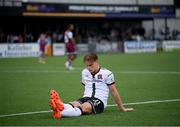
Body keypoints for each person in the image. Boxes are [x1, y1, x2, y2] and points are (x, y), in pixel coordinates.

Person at [49, 53, 134, 119]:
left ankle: (60, 112)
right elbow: (85, 87)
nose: (88, 68)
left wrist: (122, 108)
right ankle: (61, 105)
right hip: (86, 97)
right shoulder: (84, 72)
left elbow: (113, 91)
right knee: (74, 103)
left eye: (91, 65)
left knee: (85, 107)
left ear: (97, 62)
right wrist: (81, 99)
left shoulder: (107, 73)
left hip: (99, 101)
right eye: (87, 65)